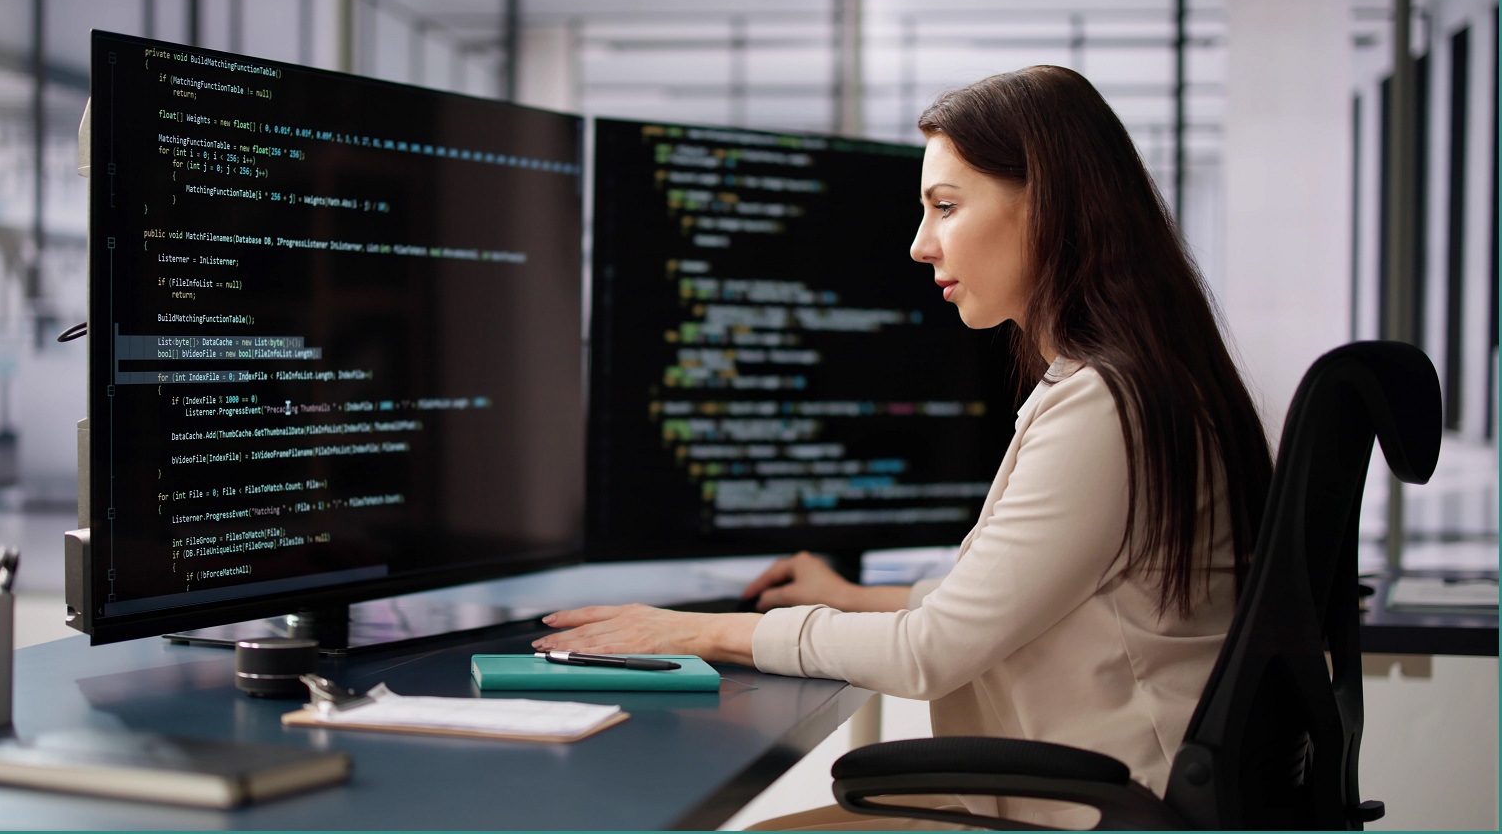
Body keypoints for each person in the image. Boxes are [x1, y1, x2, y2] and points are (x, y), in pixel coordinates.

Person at [533, 65, 1274, 829]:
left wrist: (696, 631)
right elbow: (1004, 600)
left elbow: (934, 651)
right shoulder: (1141, 383)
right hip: (1109, 796)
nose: (922, 245)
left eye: (946, 207)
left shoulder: (1107, 404)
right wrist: (853, 600)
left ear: (1050, 207)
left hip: (1100, 809)